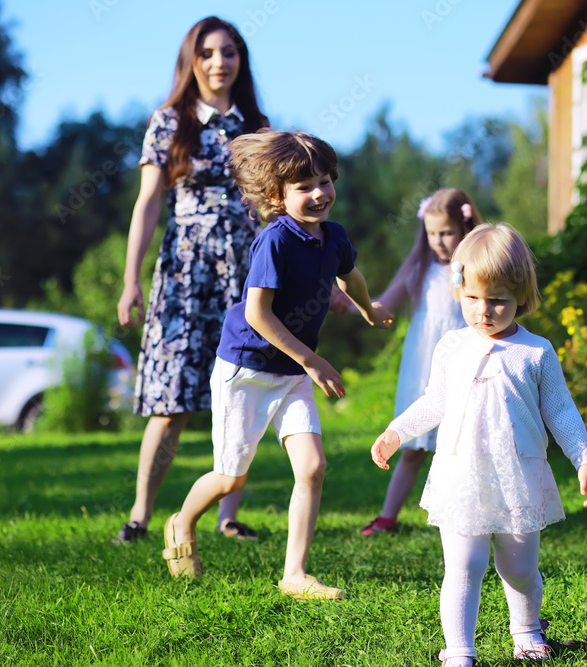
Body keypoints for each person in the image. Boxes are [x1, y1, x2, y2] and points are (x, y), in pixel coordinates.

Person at [161, 130, 393, 600]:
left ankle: (295, 575)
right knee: (231, 477)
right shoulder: (274, 241)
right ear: (277, 196)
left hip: (290, 374)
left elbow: (351, 277)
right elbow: (256, 314)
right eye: (304, 187)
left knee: (311, 468)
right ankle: (181, 522)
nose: (319, 193)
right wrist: (312, 360)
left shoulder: (334, 238)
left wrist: (369, 308)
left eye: (324, 181)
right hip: (246, 370)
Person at [370, 224, 587, 666]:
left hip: (520, 475)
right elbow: (434, 401)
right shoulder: (452, 346)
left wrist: (582, 456)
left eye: (498, 299)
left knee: (517, 567)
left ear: (521, 296)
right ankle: (458, 651)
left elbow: (561, 411)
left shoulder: (535, 352)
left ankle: (527, 631)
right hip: (461, 476)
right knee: (463, 566)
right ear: (459, 291)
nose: (484, 310)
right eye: (473, 298)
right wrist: (397, 431)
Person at [114, 17, 268, 545]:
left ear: (240, 60)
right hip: (184, 275)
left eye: (228, 52)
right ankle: (138, 517)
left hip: (246, 273)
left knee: (243, 391)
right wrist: (130, 280)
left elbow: (275, 208)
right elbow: (149, 201)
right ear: (192, 61)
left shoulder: (257, 125)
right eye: (207, 53)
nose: (218, 62)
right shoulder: (169, 120)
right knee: (170, 400)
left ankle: (228, 516)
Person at [360, 188, 481, 536]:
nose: (439, 241)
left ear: (465, 227)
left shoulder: (476, 267)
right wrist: (357, 304)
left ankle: (471, 519)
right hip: (424, 368)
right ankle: (388, 517)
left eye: (446, 233)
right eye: (432, 233)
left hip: (466, 365)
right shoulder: (419, 266)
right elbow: (386, 303)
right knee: (413, 446)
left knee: (467, 444)